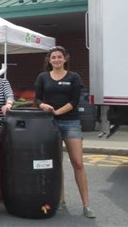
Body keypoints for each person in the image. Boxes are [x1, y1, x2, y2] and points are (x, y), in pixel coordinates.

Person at [34, 46, 96, 218]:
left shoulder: (74, 77)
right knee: (57, 163)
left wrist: (57, 112)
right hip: (50, 124)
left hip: (71, 123)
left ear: (65, 59)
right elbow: (37, 98)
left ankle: (86, 205)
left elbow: (75, 101)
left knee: (78, 163)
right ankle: (61, 200)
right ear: (49, 60)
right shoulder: (43, 77)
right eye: (53, 57)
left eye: (59, 57)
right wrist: (42, 106)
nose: (56, 60)